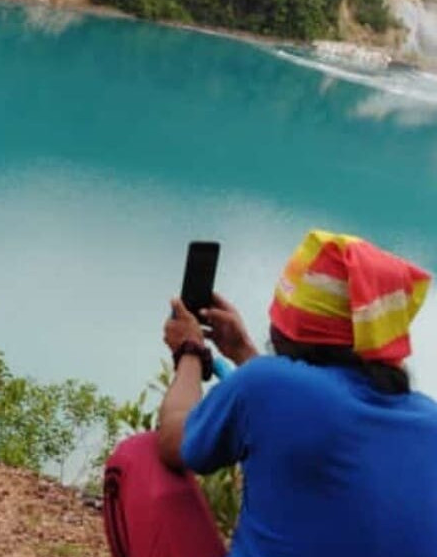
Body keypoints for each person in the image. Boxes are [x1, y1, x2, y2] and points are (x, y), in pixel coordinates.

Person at [104, 229, 437, 557]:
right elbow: (311, 407)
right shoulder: (427, 418)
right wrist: (241, 350)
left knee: (140, 456)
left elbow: (172, 441)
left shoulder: (267, 385)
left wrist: (190, 352)